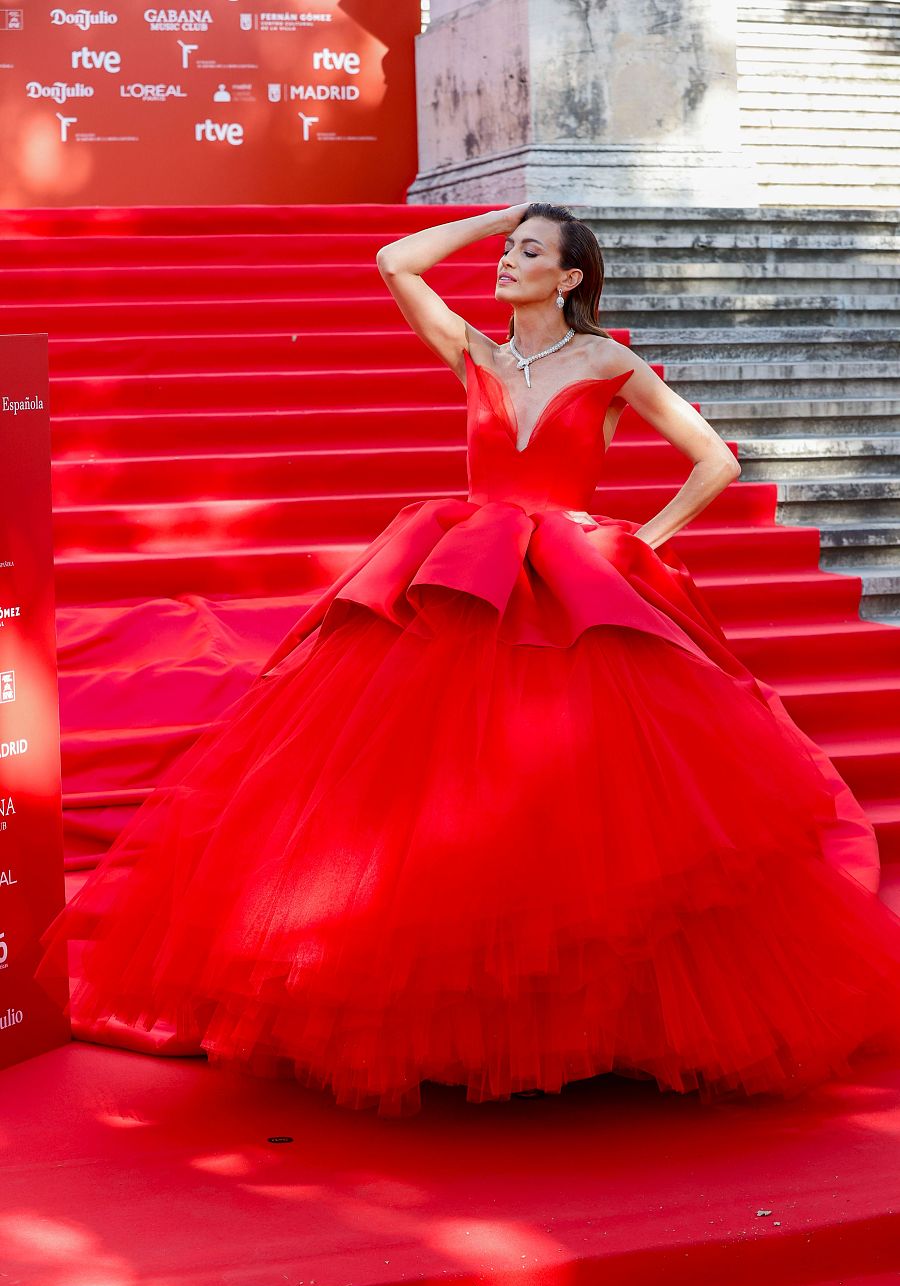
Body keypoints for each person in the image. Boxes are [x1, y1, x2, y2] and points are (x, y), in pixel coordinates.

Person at [38, 202, 900, 1118]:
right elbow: (394, 261)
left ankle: (597, 1024)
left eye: (529, 251)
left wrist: (638, 543)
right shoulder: (474, 352)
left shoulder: (611, 364)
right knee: (436, 798)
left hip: (569, 591)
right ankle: (457, 1023)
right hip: (465, 580)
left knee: (583, 803)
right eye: (508, 249)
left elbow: (714, 461)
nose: (507, 261)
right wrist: (501, 215)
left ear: (569, 277)